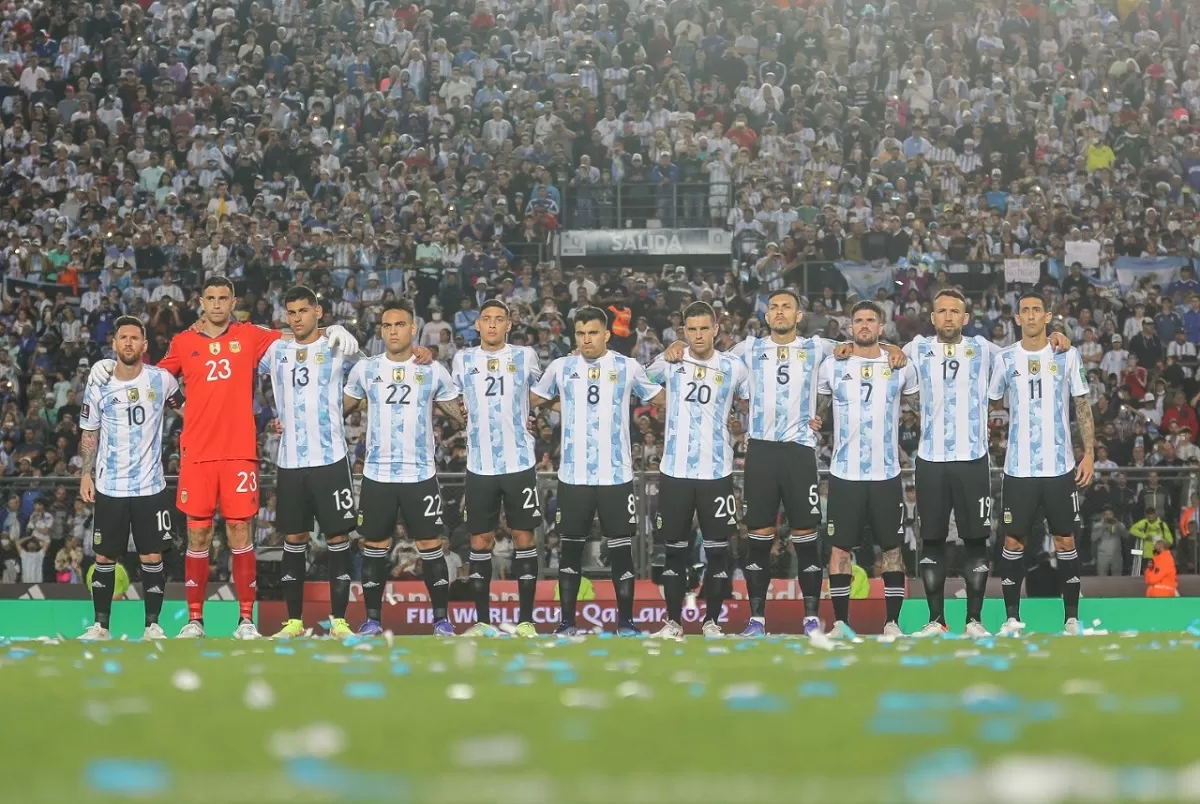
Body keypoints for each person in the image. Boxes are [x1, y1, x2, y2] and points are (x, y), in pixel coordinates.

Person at [88, 277, 358, 639]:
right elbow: (152, 379)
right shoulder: (183, 342)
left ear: (233, 302)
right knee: (197, 536)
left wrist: (331, 328)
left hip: (239, 453)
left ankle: (245, 621)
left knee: (239, 532)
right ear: (201, 301)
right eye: (210, 298)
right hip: (197, 454)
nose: (216, 304)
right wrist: (105, 370)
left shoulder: (250, 334)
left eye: (223, 298)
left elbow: (298, 332)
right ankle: (194, 620)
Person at [662, 288, 902, 637]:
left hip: (799, 452)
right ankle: (757, 618)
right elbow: (709, 360)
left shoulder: (818, 347)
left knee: (806, 537)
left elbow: (860, 349)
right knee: (758, 537)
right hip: (760, 452)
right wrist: (678, 349)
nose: (779, 312)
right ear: (766, 315)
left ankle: (809, 617)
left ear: (798, 315)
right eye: (773, 307)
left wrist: (893, 348)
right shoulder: (748, 349)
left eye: (786, 307)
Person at [905, 289, 1069, 637]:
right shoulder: (916, 348)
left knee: (976, 541)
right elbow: (880, 356)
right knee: (931, 541)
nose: (948, 317)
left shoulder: (985, 349)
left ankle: (974, 620)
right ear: (932, 317)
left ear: (966, 318)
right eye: (941, 311)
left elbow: (1026, 350)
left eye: (955, 311)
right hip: (930, 460)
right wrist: (880, 349)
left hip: (973, 460)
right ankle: (936, 620)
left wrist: (1054, 337)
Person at [531, 306, 664, 636]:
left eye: (592, 333)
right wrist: (554, 405)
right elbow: (532, 399)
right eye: (580, 333)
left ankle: (626, 622)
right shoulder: (562, 367)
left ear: (606, 335)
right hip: (573, 477)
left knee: (621, 552)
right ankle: (566, 623)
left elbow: (659, 396)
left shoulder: (627, 366)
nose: (586, 339)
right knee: (570, 551)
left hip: (615, 476)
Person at [343, 299, 461, 636]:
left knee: (430, 546)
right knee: (375, 548)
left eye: (399, 325)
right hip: (377, 474)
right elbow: (340, 410)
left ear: (413, 328)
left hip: (419, 474)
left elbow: (458, 413)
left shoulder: (432, 368)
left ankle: (441, 620)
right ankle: (372, 621)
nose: (392, 331)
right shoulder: (366, 369)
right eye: (386, 325)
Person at [988, 291, 1094, 637]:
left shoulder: (1067, 354)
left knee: (1065, 540)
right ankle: (1011, 618)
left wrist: (1089, 452)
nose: (1031, 316)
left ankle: (1071, 619)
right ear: (1016, 319)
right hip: (1018, 469)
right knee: (1013, 542)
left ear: (1048, 317)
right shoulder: (1004, 359)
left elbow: (1082, 405)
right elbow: (990, 403)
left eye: (1037, 310)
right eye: (1025, 311)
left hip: (1060, 467)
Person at [258, 286, 359, 639]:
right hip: (291, 461)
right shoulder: (276, 351)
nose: (297, 317)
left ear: (319, 311)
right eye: (292, 312)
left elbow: (374, 368)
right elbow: (238, 353)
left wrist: (343, 333)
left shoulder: (336, 344)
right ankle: (294, 622)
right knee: (294, 537)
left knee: (338, 537)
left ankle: (340, 621)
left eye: (304, 310)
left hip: (330, 457)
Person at [814, 301, 919, 638]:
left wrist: (893, 350)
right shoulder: (832, 365)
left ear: (881, 326)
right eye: (857, 320)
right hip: (845, 474)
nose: (863, 325)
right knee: (840, 550)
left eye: (870, 320)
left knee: (892, 549)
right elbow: (818, 408)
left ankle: (892, 623)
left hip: (886, 473)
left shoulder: (900, 364)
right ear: (849, 326)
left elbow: (920, 406)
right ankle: (841, 623)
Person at [645, 301, 749, 640]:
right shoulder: (670, 361)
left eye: (705, 328)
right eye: (692, 329)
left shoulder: (734, 367)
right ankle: (673, 622)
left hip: (717, 472)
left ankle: (712, 623)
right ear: (684, 332)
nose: (699, 335)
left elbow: (751, 404)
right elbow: (637, 383)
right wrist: (665, 355)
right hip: (675, 471)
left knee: (719, 554)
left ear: (716, 329)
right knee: (674, 553)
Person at [78, 316, 182, 641]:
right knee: (105, 556)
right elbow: (89, 431)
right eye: (123, 337)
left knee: (152, 556)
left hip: (151, 486)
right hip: (110, 486)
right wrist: (85, 473)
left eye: (134, 338)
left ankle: (153, 625)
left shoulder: (162, 380)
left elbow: (188, 412)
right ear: (114, 343)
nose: (128, 343)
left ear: (144, 345)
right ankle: (101, 626)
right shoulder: (99, 383)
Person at [450, 300, 545, 638]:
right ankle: (482, 622)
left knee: (523, 538)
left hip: (519, 462)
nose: (492, 325)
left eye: (498, 320)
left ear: (509, 325)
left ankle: (526, 622)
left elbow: (543, 393)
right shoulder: (462, 359)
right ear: (477, 325)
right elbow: (452, 399)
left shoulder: (526, 356)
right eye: (486, 319)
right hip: (480, 464)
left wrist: (526, 417)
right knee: (480, 541)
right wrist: (463, 419)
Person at [1129, 508, 1173, 575]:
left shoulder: (1162, 525)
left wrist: (1166, 545)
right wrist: (1144, 536)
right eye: (1149, 517)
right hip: (1147, 555)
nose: (1151, 519)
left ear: (1156, 515)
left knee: (1159, 573)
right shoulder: (1144, 523)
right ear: (1146, 516)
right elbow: (1132, 530)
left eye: (1153, 517)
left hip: (1159, 555)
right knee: (1147, 574)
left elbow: (1170, 539)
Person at [1092, 504, 1129, 578]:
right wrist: (1102, 529)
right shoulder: (1097, 525)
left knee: (1117, 578)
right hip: (1102, 555)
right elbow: (1093, 539)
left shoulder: (1119, 525)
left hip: (1116, 554)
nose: (1108, 516)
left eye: (1110, 514)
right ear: (1103, 515)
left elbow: (1126, 535)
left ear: (1113, 515)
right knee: (1101, 578)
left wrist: (1118, 525)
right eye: (1106, 514)